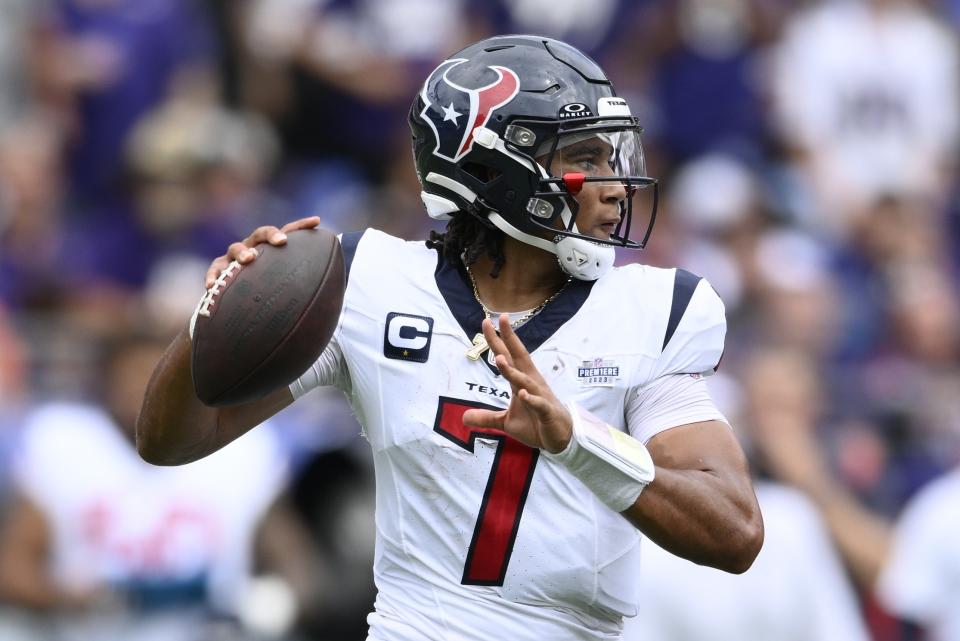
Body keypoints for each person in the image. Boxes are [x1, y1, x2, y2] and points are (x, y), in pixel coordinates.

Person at [137, 35, 763, 640]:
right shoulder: (367, 282)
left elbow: (734, 533)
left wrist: (576, 441)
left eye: (610, 157)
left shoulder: (654, 309)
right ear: (497, 168)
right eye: (584, 159)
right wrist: (216, 316)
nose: (612, 185)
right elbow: (171, 441)